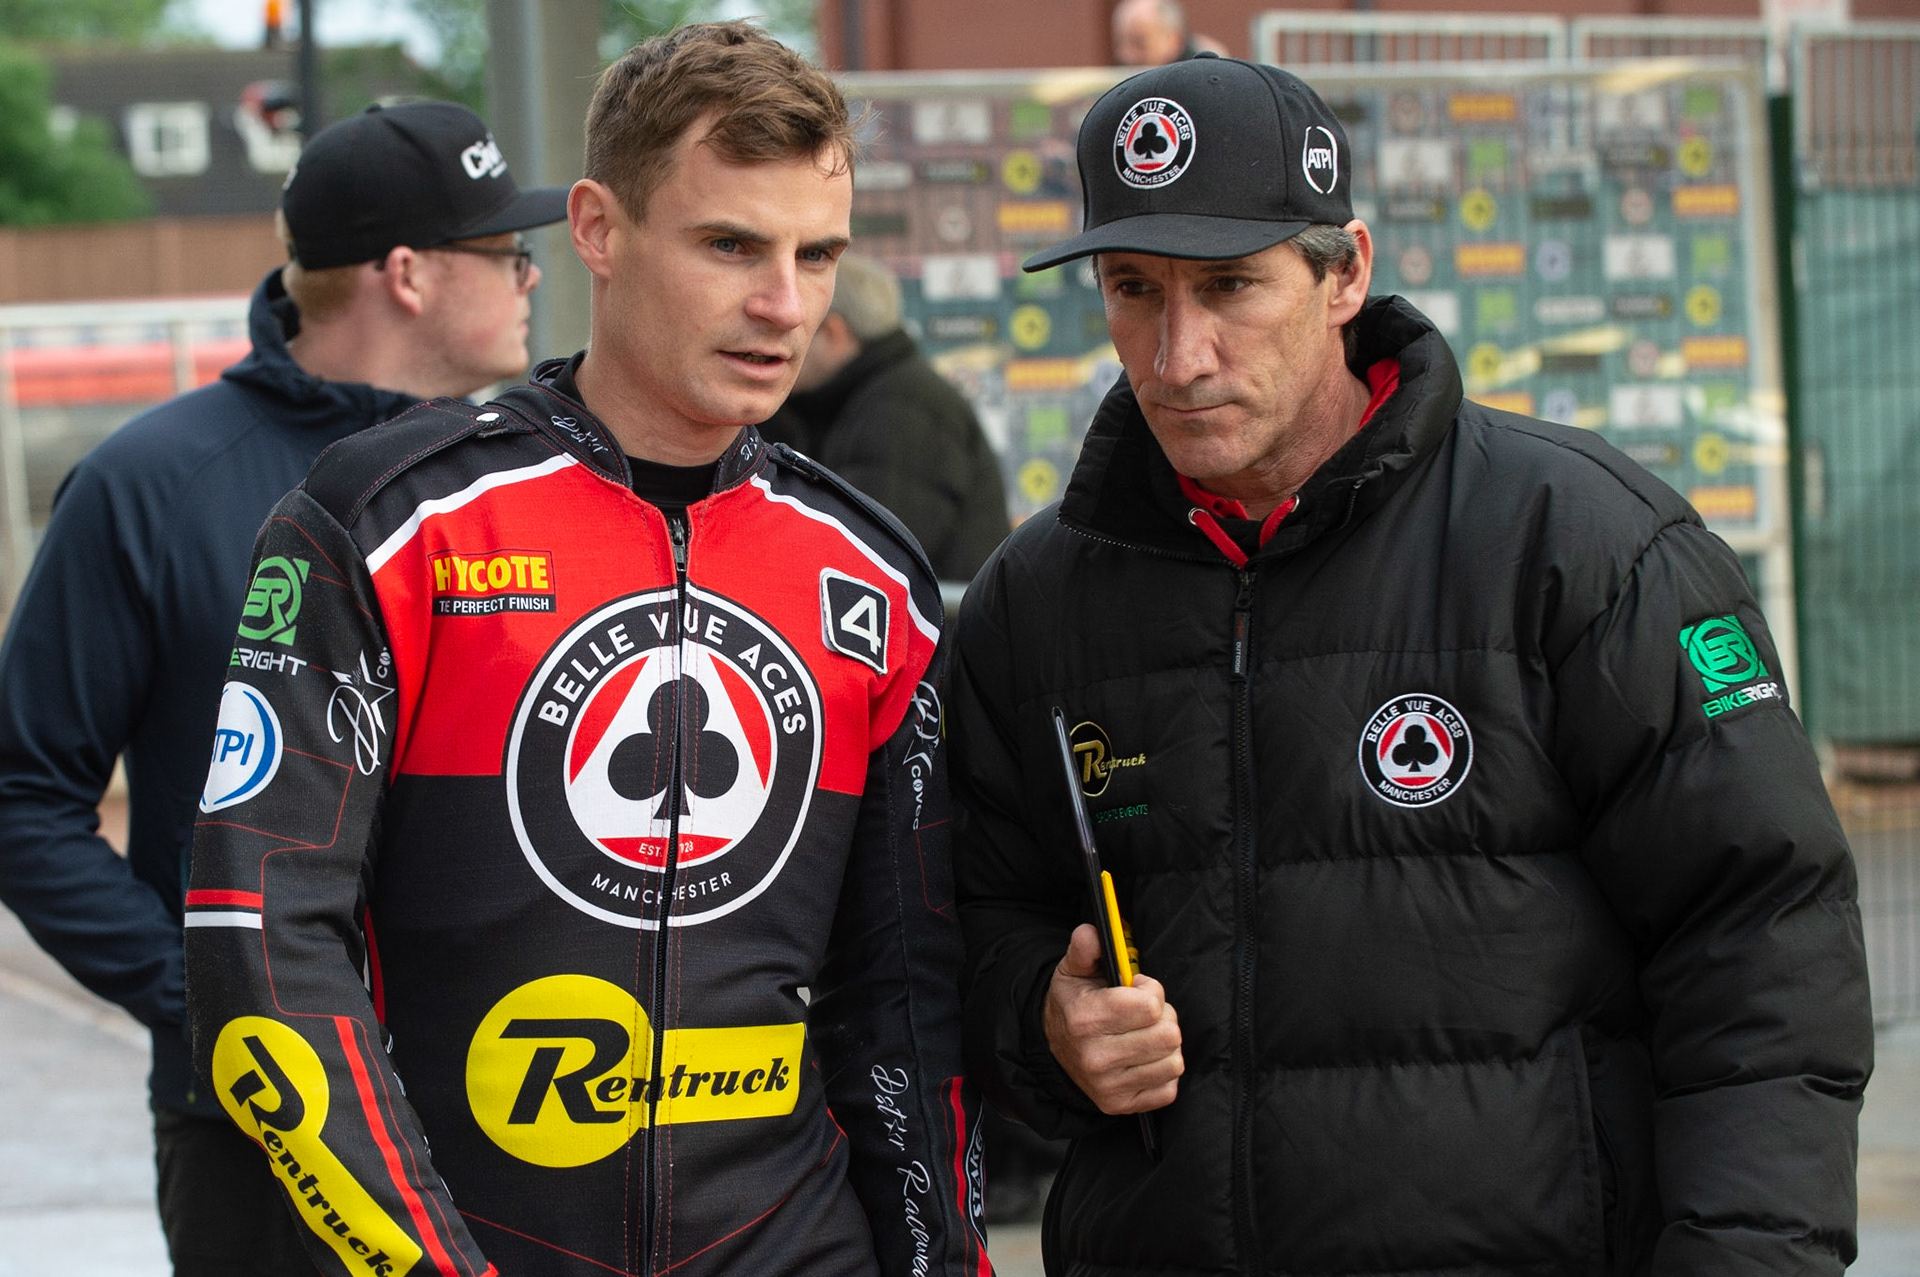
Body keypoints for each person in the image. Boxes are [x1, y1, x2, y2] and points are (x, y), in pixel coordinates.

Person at [951, 52, 1871, 1277]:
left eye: (1232, 285)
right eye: (1134, 289)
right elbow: (962, 918)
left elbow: (1762, 943)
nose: (1178, 354)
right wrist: (1041, 1017)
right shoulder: (1038, 597)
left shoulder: (1579, 539)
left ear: (1346, 274)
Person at [186, 23, 986, 1277]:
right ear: (599, 231)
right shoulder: (392, 518)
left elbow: (907, 1005)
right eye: (730, 245)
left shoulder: (871, 576)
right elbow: (257, 930)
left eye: (815, 253)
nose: (784, 302)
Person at [0, 100, 561, 1276]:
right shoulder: (150, 483)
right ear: (405, 273)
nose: (530, 279)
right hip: (263, 1129)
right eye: (506, 253)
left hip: (521, 1102)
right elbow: (22, 796)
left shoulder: (539, 472)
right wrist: (213, 992)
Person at [766, 252, 1009, 581]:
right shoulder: (864, 397)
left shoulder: (903, 405)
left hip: (931, 628)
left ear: (835, 333)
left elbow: (867, 553)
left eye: (797, 326)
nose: (779, 342)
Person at [1110, 0, 1226, 66]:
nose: (1126, 55)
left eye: (1139, 43)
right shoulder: (1117, 72)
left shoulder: (1203, 70)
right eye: (1119, 43)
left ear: (1174, 40)